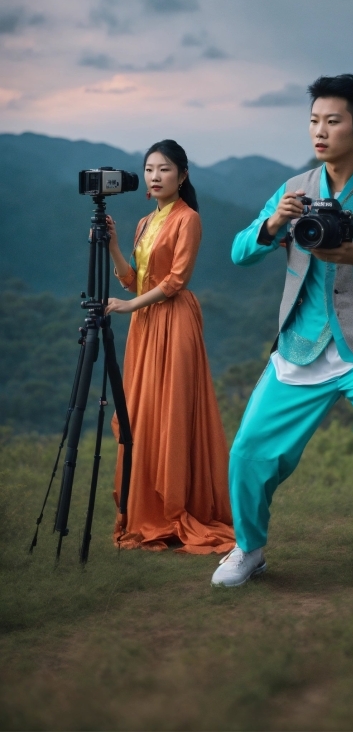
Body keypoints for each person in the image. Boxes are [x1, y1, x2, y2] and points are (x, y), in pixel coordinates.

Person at [212, 74, 353, 595]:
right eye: (314, 120)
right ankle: (249, 548)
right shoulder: (292, 190)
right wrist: (273, 227)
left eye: (332, 121)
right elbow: (238, 252)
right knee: (248, 448)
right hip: (300, 343)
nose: (320, 131)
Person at [105, 139, 235, 554]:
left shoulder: (188, 218)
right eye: (149, 170)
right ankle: (145, 506)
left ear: (182, 174)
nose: (155, 177)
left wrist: (129, 307)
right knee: (141, 413)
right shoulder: (145, 223)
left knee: (172, 411)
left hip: (174, 321)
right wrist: (112, 244)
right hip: (144, 325)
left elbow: (175, 281)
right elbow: (133, 278)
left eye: (163, 169)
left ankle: (178, 504)